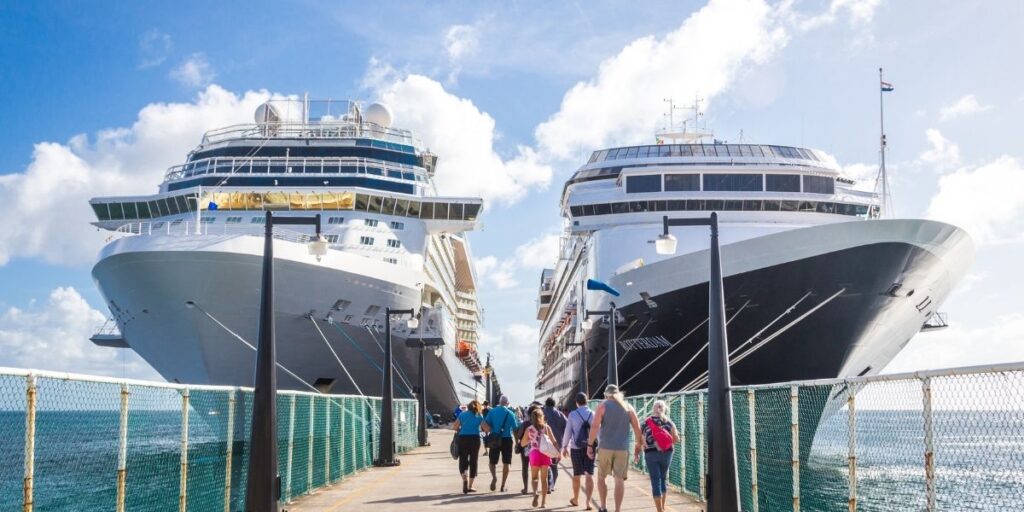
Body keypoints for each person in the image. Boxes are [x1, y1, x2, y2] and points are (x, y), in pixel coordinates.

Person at [586, 385, 642, 512]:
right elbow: (637, 428)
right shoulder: (628, 407)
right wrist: (639, 445)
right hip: (622, 448)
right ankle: (617, 509)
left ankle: (603, 506)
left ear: (606, 395)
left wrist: (589, 445)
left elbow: (595, 426)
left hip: (605, 447)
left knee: (601, 477)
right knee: (619, 480)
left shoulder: (603, 406)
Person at [637, 399, 680, 512]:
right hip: (667, 453)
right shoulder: (669, 422)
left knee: (655, 480)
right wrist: (665, 445)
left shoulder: (645, 422)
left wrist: (638, 451)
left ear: (653, 409)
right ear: (664, 409)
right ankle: (663, 507)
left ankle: (659, 510)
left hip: (651, 454)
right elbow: (676, 438)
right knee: (663, 478)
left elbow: (640, 441)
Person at [561, 392, 595, 509]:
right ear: (587, 401)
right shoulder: (593, 414)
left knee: (576, 475)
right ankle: (588, 502)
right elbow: (598, 431)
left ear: (576, 402)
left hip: (576, 447)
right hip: (590, 447)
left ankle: (575, 499)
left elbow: (568, 432)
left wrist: (564, 446)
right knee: (589, 474)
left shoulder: (573, 415)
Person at [520, 407, 559, 508]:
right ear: (542, 417)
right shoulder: (546, 427)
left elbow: (522, 443)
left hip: (534, 454)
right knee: (544, 479)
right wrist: (558, 452)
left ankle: (535, 492)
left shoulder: (529, 429)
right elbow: (554, 441)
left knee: (534, 478)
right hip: (545, 454)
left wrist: (531, 439)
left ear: (531, 418)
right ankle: (544, 502)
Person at [452, 400, 490, 494]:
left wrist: (461, 428)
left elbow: (455, 427)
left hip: (463, 439)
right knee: (473, 461)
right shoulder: (478, 416)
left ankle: (464, 479)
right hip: (474, 440)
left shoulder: (462, 414)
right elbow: (486, 429)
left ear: (468, 407)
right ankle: (470, 485)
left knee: (463, 460)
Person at [483, 395, 519, 492]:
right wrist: (517, 442)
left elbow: (486, 424)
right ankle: (503, 486)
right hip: (507, 439)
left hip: (494, 438)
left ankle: (494, 477)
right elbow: (515, 429)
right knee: (506, 463)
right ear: (507, 403)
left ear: (499, 402)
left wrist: (490, 431)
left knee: (492, 462)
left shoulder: (492, 411)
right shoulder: (511, 413)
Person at [515, 401, 543, 494]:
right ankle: (536, 489)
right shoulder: (542, 424)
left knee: (525, 467)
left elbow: (519, 436)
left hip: (526, 449)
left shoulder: (526, 423)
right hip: (537, 449)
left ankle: (526, 488)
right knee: (537, 469)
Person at [542, 397, 568, 493]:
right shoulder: (560, 414)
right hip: (557, 443)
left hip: (543, 444)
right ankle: (552, 485)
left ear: (546, 404)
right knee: (554, 465)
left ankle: (547, 485)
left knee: (545, 465)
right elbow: (567, 427)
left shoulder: (542, 413)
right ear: (554, 404)